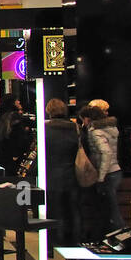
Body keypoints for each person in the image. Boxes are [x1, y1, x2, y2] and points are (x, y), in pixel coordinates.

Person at [43, 98, 82, 247]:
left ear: (49, 111)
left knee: (53, 211)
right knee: (73, 210)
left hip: (51, 175)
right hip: (71, 174)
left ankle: (55, 243)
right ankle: (75, 241)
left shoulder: (45, 129)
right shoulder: (75, 128)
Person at [82, 100, 123, 232]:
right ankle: (114, 235)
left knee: (111, 208)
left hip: (107, 173)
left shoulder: (96, 132)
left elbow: (106, 153)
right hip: (113, 171)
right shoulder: (109, 129)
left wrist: (100, 176)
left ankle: (119, 235)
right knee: (110, 206)